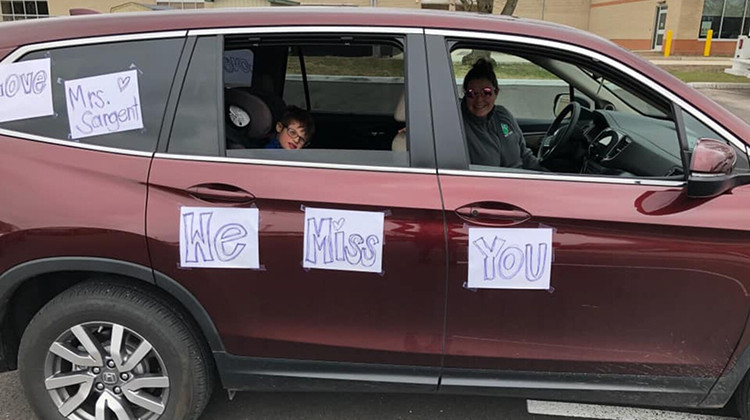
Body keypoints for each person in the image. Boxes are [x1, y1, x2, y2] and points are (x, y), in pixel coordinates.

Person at [461, 58, 544, 170]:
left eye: (486, 92)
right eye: (472, 93)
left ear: (496, 92)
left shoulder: (502, 116)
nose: (479, 99)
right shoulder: (459, 122)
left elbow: (525, 155)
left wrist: (550, 176)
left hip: (521, 181)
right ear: (465, 96)